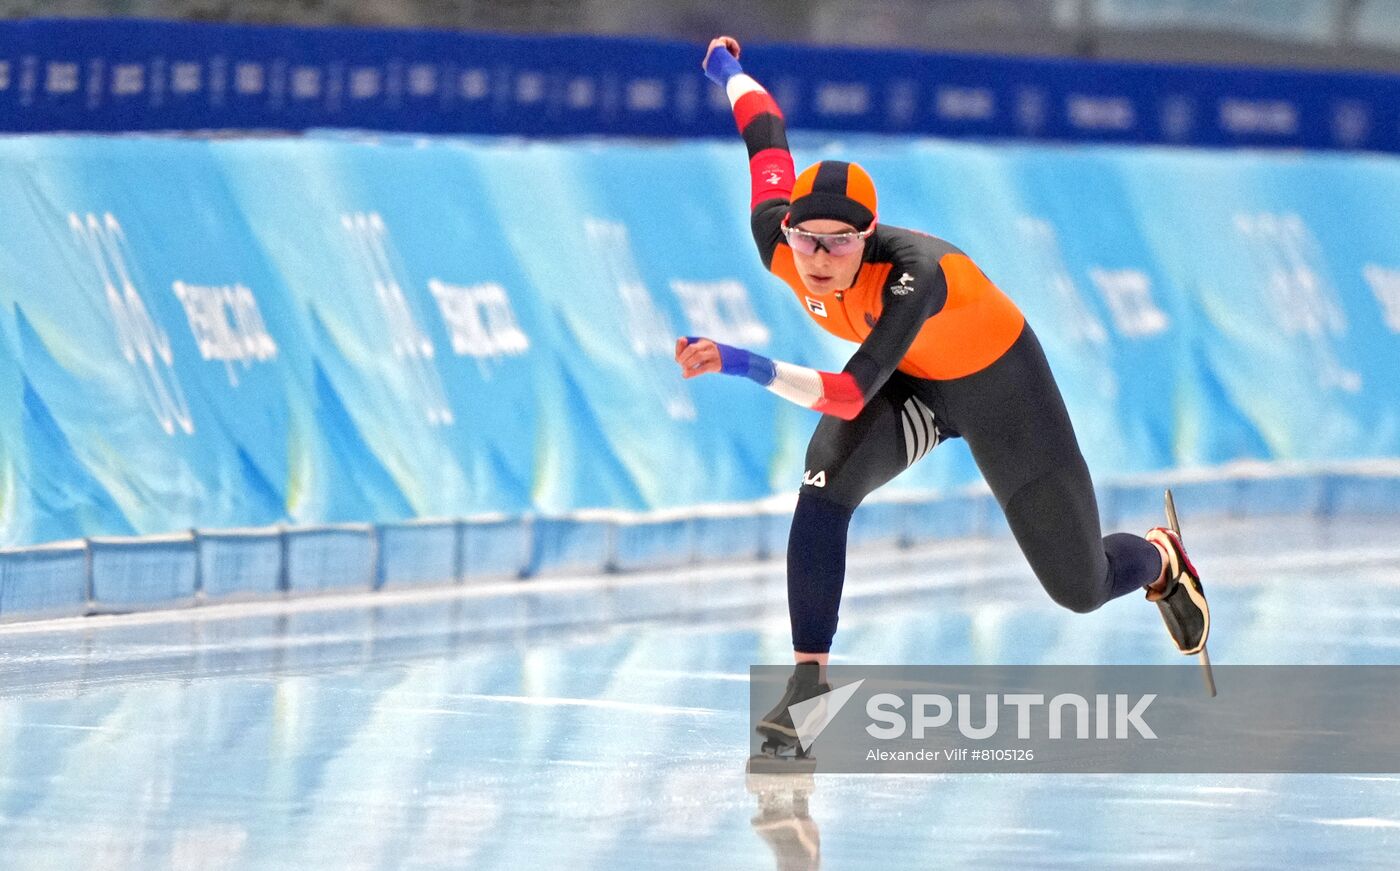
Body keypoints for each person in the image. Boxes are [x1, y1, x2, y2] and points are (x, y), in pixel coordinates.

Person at [674, 36, 1210, 752]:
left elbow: (845, 393)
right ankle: (808, 683)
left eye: (841, 244)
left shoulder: (913, 275)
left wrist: (741, 361)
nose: (821, 261)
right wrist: (731, 70)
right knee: (824, 481)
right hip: (918, 386)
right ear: (788, 231)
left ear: (870, 236)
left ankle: (1160, 559)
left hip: (1003, 393)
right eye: (808, 242)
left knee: (1080, 588)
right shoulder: (776, 239)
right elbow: (765, 133)